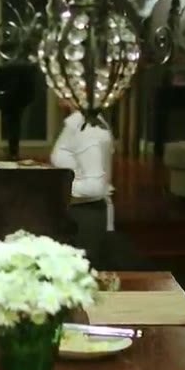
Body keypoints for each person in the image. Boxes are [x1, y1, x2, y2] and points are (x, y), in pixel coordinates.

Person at [50, 101, 114, 268]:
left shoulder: (88, 130)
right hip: (76, 213)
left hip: (85, 218)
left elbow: (95, 187)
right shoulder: (77, 123)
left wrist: (54, 186)